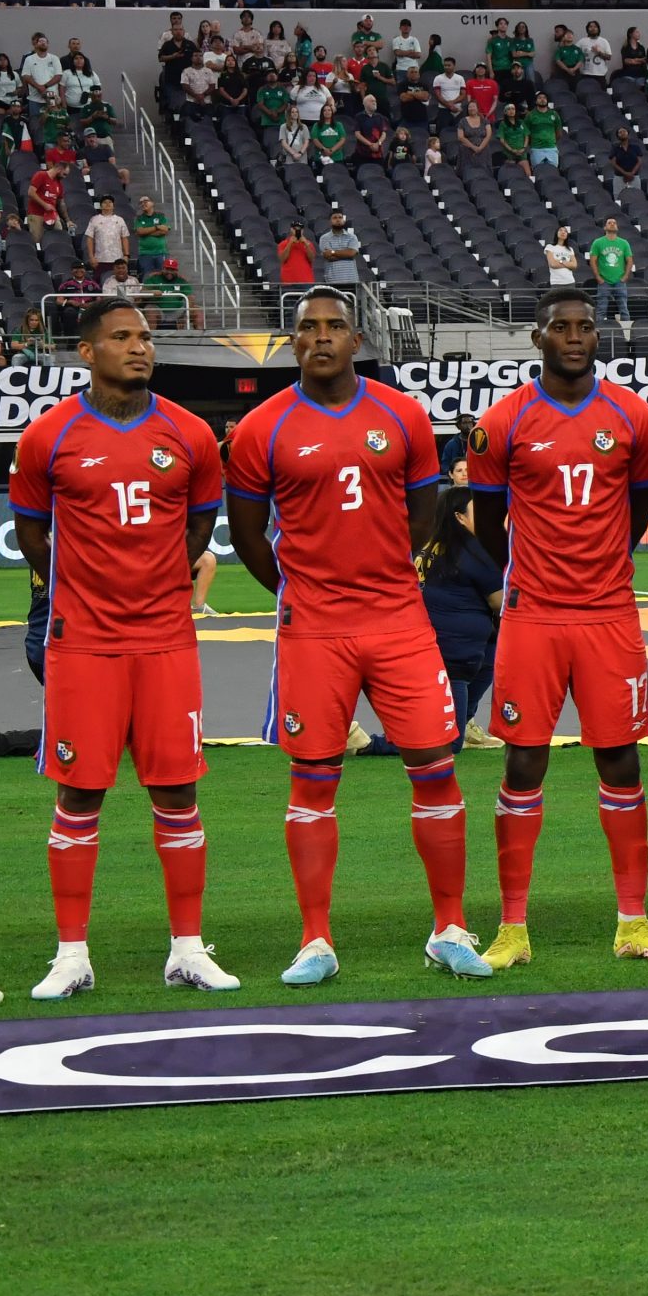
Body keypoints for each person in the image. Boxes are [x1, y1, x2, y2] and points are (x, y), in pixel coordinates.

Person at [226, 289, 483, 984]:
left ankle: (449, 927)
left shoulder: (400, 413)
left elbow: (423, 512)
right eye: (306, 328)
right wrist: (299, 586)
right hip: (312, 628)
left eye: (334, 326)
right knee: (313, 777)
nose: (320, 337)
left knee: (436, 764)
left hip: (398, 620)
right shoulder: (262, 427)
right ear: (292, 342)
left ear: (358, 336)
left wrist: (379, 578)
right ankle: (316, 938)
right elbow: (247, 533)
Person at [8, 298, 232, 1000]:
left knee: (178, 789)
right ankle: (72, 953)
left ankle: (188, 948)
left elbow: (199, 526)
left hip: (165, 639)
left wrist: (160, 583)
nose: (140, 348)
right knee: (80, 792)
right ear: (87, 351)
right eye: (123, 337)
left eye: (145, 337)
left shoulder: (190, 432)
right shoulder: (49, 436)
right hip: (84, 645)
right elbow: (32, 534)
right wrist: (83, 592)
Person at [465, 286, 648, 967]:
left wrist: (595, 573)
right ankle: (512, 929)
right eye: (561, 326)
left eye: (586, 326)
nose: (576, 336)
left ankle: (634, 923)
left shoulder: (633, 417)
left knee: (620, 757)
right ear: (538, 338)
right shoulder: (502, 423)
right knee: (523, 759)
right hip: (534, 616)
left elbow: (640, 509)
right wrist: (538, 576)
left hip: (609, 613)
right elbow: (490, 523)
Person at [416, 486, 502, 744]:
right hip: (454, 655)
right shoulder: (473, 552)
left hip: (433, 642)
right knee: (448, 743)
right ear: (459, 517)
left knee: (492, 650)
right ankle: (372, 743)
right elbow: (501, 601)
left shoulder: (430, 546)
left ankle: (465, 719)